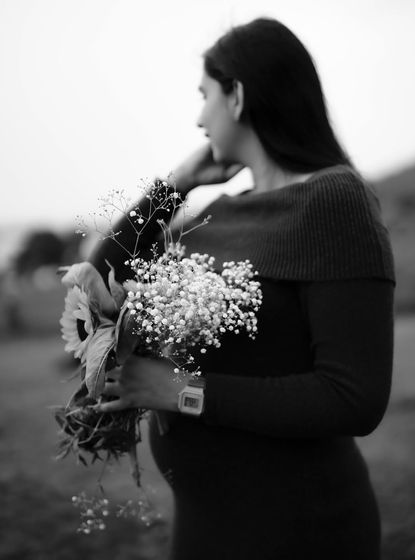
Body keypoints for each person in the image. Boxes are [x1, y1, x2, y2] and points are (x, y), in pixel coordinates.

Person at [90, 18, 395, 560]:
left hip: (297, 529)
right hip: (205, 525)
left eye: (205, 95)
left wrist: (176, 389)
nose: (198, 116)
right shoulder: (225, 211)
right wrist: (174, 185)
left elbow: (354, 398)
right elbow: (100, 276)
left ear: (237, 96)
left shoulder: (333, 201)